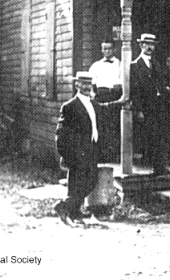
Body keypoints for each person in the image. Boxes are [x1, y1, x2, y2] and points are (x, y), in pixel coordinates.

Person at [55, 72, 101, 227]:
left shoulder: (92, 104)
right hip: (77, 152)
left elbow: (105, 108)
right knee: (80, 183)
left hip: (90, 149)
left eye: (89, 83)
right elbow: (61, 134)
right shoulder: (69, 106)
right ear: (77, 85)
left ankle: (71, 211)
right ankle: (65, 207)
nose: (87, 87)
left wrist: (121, 102)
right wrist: (65, 154)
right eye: (84, 84)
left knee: (90, 181)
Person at [129, 33, 170, 176]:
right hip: (146, 107)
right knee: (150, 136)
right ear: (141, 45)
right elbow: (135, 90)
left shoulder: (156, 64)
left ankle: (160, 167)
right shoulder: (135, 65)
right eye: (147, 44)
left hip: (159, 106)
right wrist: (138, 110)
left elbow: (162, 84)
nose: (150, 47)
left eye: (152, 45)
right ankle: (153, 167)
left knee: (160, 136)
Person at [88, 39, 123, 162]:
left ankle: (114, 156)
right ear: (102, 50)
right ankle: (102, 156)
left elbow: (124, 82)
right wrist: (93, 96)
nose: (107, 51)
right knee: (101, 126)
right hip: (100, 97)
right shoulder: (96, 65)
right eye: (105, 49)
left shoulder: (120, 64)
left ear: (114, 49)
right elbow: (91, 84)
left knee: (114, 126)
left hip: (114, 96)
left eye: (110, 48)